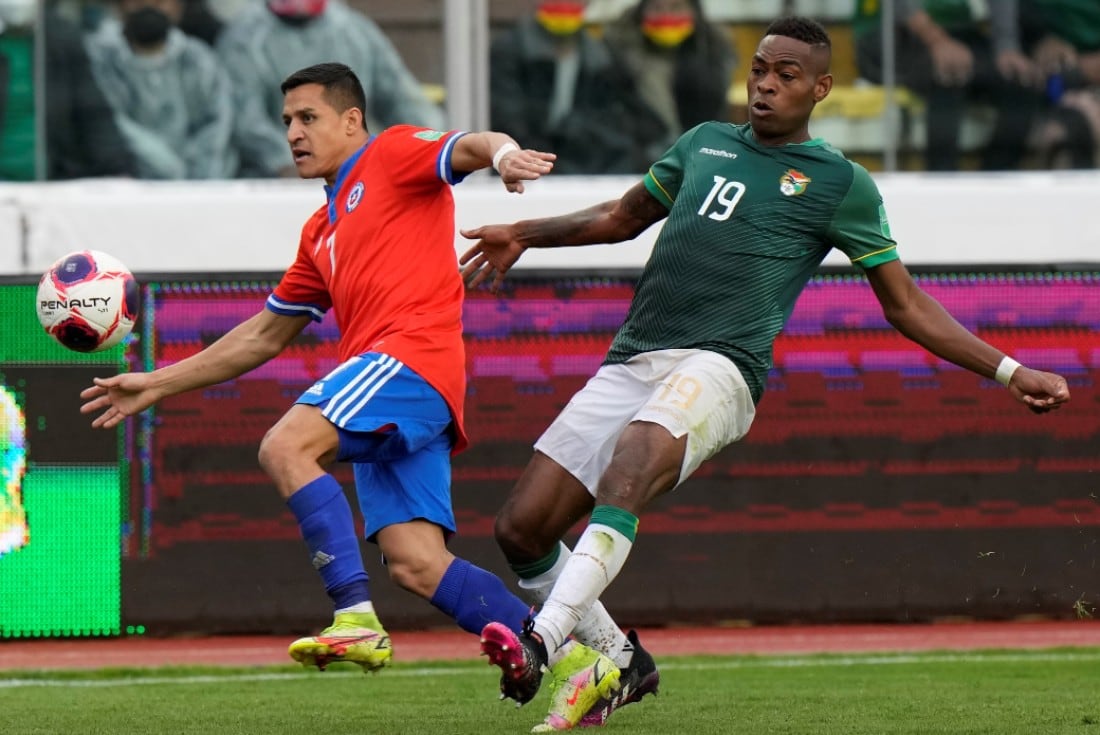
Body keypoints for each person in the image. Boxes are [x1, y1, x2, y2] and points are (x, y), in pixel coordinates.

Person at [461, 15, 1072, 731]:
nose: (766, 85)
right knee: (522, 529)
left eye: (786, 75)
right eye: (759, 69)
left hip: (725, 364)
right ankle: (620, 660)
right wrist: (523, 233)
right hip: (638, 353)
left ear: (821, 87)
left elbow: (904, 305)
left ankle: (540, 641)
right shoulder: (703, 143)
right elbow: (623, 216)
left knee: (630, 465)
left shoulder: (840, 183)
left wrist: (1008, 368)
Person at [78, 62, 577, 684]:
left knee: (286, 445)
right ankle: (576, 660)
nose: (293, 133)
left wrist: (503, 156)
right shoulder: (321, 231)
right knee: (416, 563)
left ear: (351, 120)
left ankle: (355, 618)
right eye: (287, 120)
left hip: (408, 362)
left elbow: (470, 145)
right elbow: (262, 336)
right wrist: (155, 382)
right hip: (399, 389)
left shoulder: (391, 154)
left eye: (308, 118)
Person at [216, 0, 445, 178]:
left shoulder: (354, 32)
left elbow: (403, 100)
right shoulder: (245, 39)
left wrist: (439, 148)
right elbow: (246, 123)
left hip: (358, 178)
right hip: (276, 187)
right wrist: (292, 161)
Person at [853, 0, 1045, 171]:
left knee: (1021, 80)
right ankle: (941, 180)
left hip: (958, 30)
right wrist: (937, 40)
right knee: (949, 75)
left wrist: (1007, 46)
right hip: (889, 32)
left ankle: (997, 179)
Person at [490, 0, 667, 174]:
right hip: (527, 164)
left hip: (585, 166)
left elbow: (619, 120)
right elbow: (509, 119)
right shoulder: (512, 49)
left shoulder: (601, 55)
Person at [84, 0, 237, 179]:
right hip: (127, 187)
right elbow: (110, 123)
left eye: (159, 2)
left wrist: (197, 177)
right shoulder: (97, 60)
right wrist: (165, 167)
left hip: (201, 187)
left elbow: (218, 123)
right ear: (119, 7)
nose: (149, 8)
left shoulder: (199, 59)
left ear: (178, 7)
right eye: (138, 3)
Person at [603, 0, 737, 164]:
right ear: (641, 12)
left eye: (676, 7)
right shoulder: (617, 57)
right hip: (636, 163)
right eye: (656, 8)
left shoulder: (712, 53)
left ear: (694, 12)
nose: (666, 17)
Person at [1021, 0, 1100, 168]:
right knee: (1060, 131)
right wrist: (1042, 38)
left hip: (1084, 75)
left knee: (1075, 125)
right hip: (1048, 71)